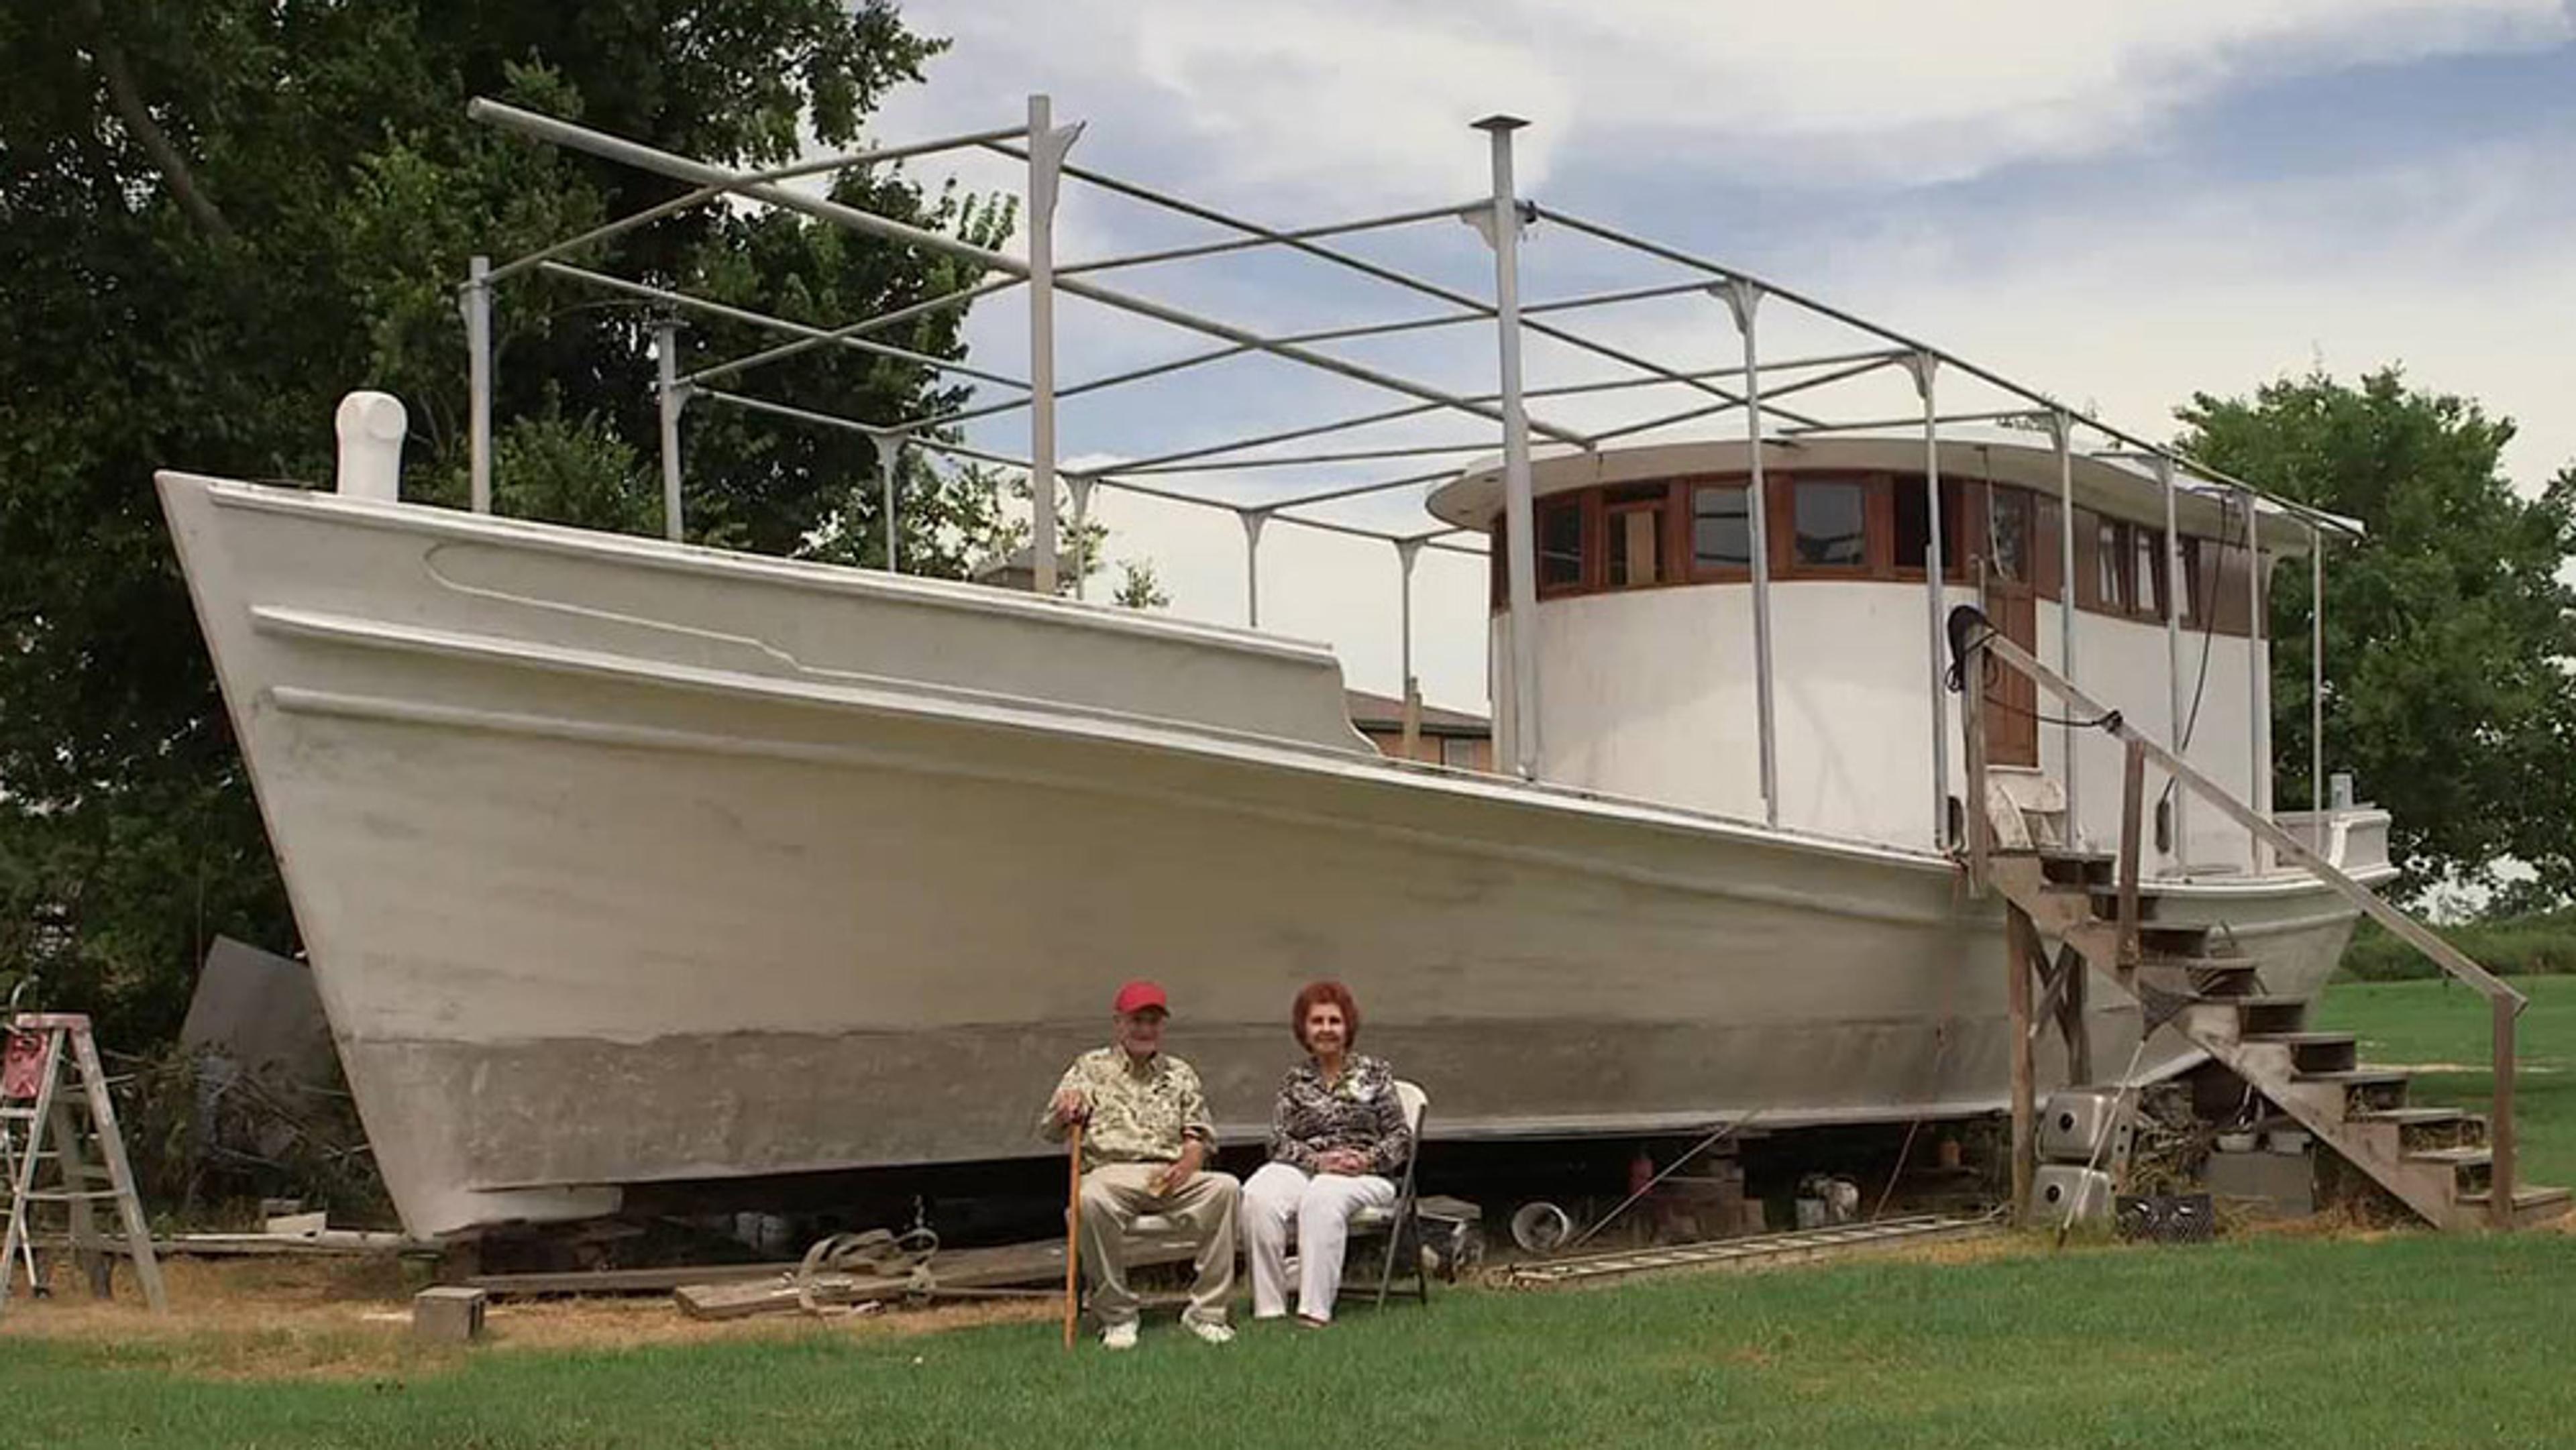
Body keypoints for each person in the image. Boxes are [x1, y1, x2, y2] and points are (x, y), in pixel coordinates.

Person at [1040, 979, 1240, 1349]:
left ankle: (1207, 1313)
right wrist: (1066, 1111)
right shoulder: (1090, 1067)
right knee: (1090, 1200)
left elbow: (1198, 1135)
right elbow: (1051, 1131)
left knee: (1226, 1188)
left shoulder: (1179, 1073)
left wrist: (1186, 1166)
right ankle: (1117, 1315)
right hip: (1112, 1174)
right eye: (1137, 1020)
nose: (1145, 1029)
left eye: (1153, 1021)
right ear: (1119, 1023)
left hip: (1170, 1174)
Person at [1242, 980, 1413, 1327]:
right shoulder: (1295, 1080)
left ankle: (1314, 1312)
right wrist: (1316, 1161)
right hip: (1308, 1165)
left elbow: (1401, 1137)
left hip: (1365, 1174)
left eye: (1334, 1021)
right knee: (1257, 1195)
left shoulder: (1375, 1074)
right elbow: (1277, 1141)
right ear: (1304, 1030)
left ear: (1348, 1026)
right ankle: (1269, 1310)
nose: (1326, 1029)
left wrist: (1366, 1159)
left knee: (1323, 1195)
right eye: (1317, 1022)